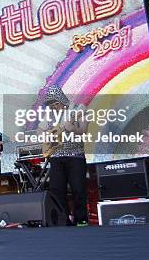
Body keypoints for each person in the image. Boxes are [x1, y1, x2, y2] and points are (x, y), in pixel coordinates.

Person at [44, 85, 89, 226]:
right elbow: (41, 132)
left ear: (61, 100)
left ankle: (81, 220)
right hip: (56, 157)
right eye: (50, 104)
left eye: (55, 103)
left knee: (78, 189)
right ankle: (63, 221)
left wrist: (73, 129)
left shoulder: (78, 109)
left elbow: (83, 130)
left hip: (76, 156)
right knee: (57, 190)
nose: (53, 107)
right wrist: (48, 137)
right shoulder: (49, 116)